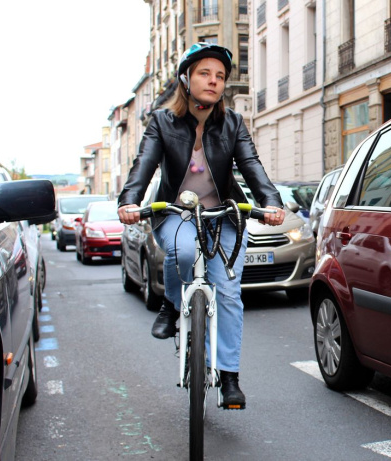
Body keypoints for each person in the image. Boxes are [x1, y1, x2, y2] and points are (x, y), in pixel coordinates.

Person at [117, 42, 285, 410]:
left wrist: (271, 203)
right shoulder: (162, 122)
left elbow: (252, 167)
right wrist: (129, 201)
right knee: (186, 249)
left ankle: (229, 377)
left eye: (220, 76)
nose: (213, 81)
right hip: (176, 214)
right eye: (205, 73)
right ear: (186, 79)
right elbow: (143, 165)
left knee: (227, 290)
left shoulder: (233, 124)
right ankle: (173, 303)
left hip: (221, 216)